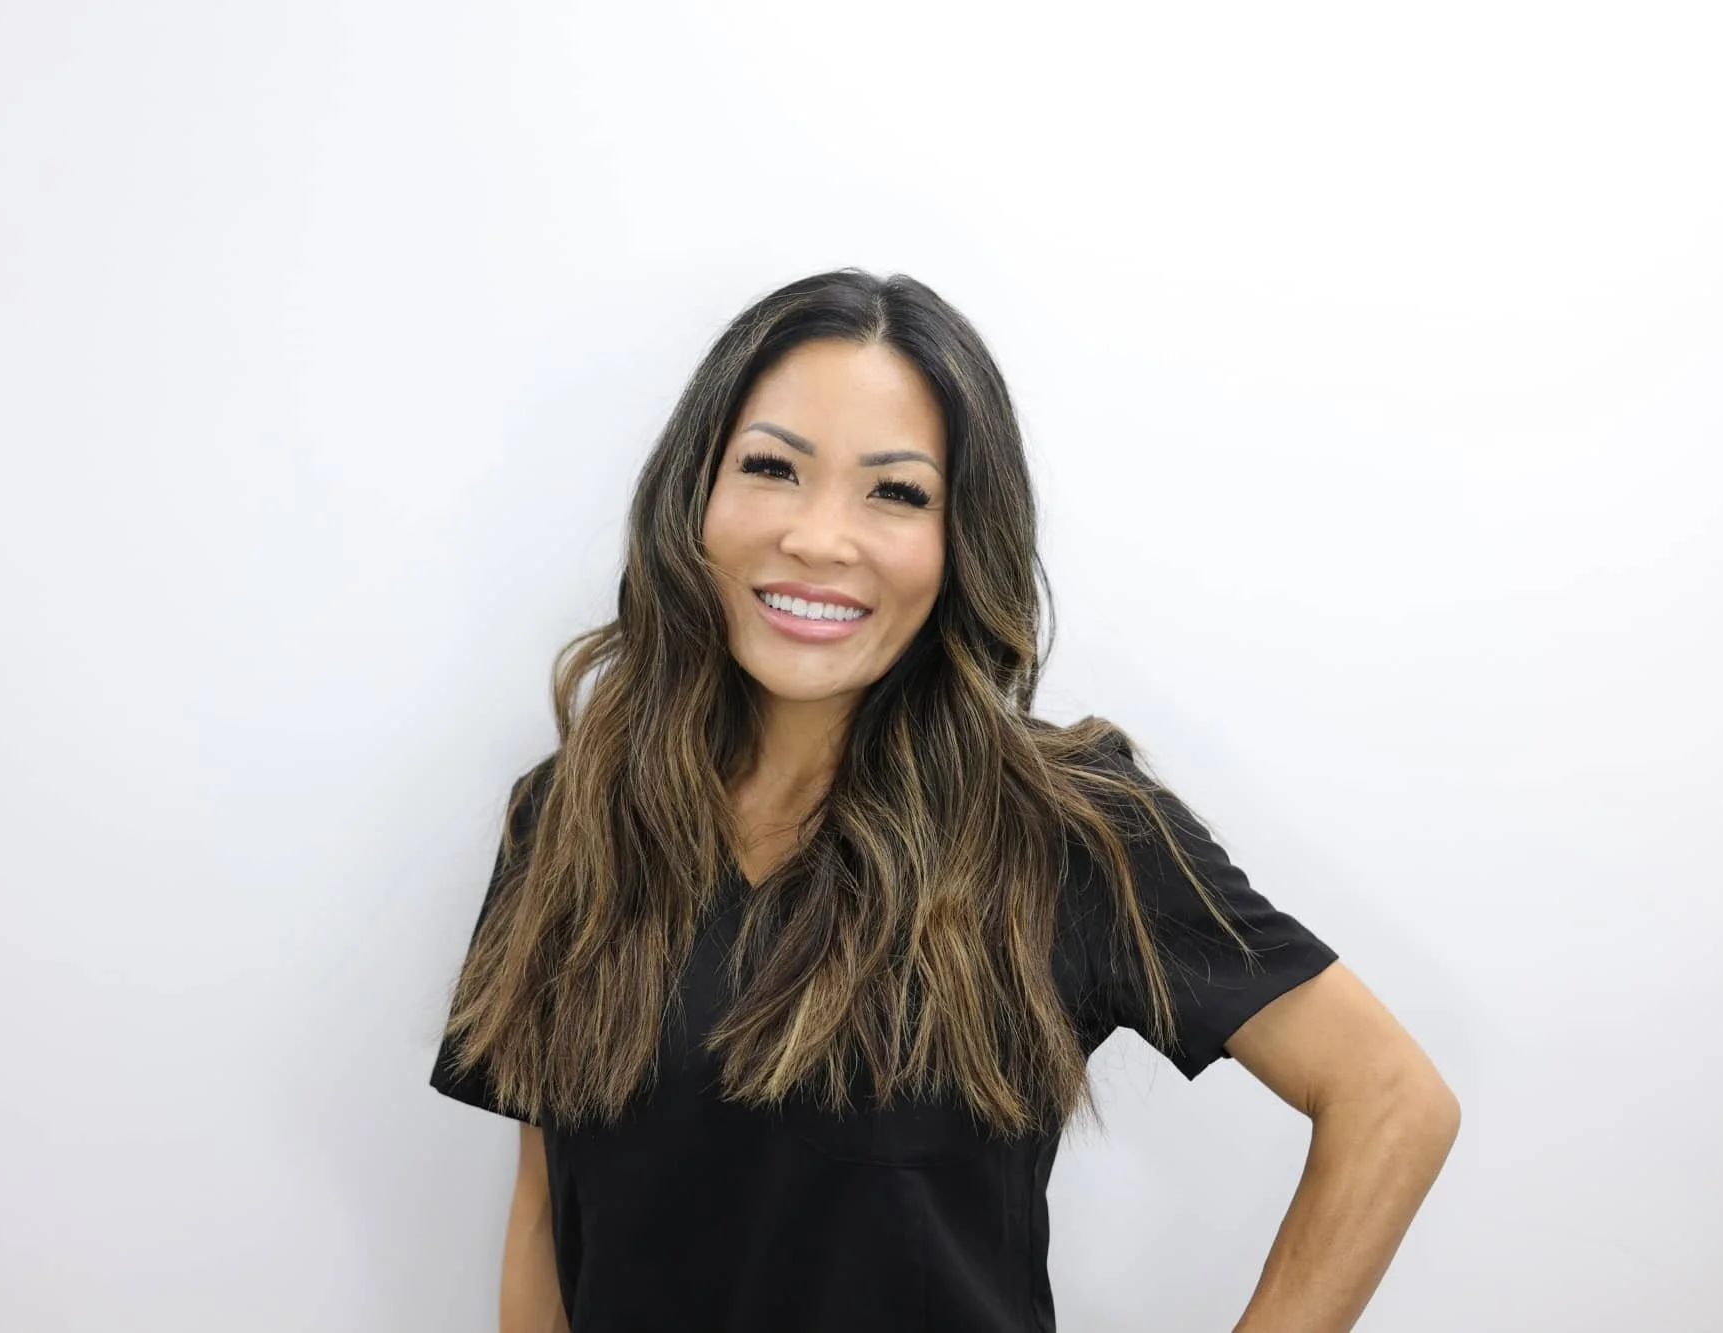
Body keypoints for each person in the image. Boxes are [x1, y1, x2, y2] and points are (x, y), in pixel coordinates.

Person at [430, 269, 1460, 1333]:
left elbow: (1390, 1099)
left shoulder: (1066, 828)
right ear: (692, 492)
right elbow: (546, 1210)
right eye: (772, 467)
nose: (820, 538)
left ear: (959, 538)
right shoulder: (567, 815)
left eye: (895, 491)